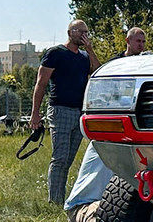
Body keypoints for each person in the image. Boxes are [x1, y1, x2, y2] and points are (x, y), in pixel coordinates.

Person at [31, 20, 101, 205]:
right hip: (60, 110)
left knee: (68, 159)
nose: (84, 35)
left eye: (86, 32)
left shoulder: (84, 57)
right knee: (60, 158)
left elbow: (97, 71)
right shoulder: (55, 53)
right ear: (70, 32)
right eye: (80, 31)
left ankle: (61, 198)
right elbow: (41, 83)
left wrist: (91, 50)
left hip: (79, 112)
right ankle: (55, 201)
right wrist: (35, 113)